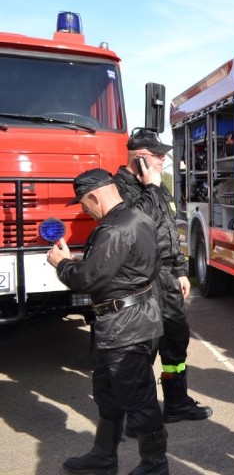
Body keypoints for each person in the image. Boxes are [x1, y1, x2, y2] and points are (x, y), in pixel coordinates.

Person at [47, 168, 168, 474]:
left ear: (94, 195)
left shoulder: (114, 228)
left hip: (125, 325)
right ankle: (103, 455)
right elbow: (121, 268)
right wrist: (82, 263)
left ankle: (155, 465)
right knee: (108, 392)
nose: (83, 210)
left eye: (83, 203)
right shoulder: (136, 217)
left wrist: (62, 265)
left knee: (138, 399)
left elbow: (87, 279)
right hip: (127, 321)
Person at [113, 128, 212, 432]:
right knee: (144, 348)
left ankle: (176, 402)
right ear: (140, 159)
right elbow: (136, 227)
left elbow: (170, 230)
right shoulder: (120, 188)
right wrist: (150, 188)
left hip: (168, 277)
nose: (164, 159)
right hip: (142, 281)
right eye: (158, 155)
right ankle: (138, 415)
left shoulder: (157, 186)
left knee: (175, 341)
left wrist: (182, 272)